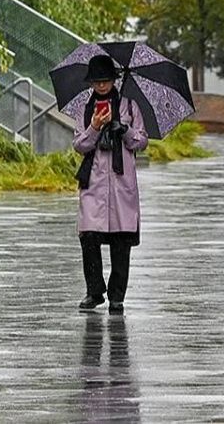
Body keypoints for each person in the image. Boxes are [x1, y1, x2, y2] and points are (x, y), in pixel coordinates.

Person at [73, 55, 149, 315]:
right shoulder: (85, 108)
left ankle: (117, 296)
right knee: (89, 237)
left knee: (121, 241)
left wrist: (123, 129)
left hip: (121, 183)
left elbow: (141, 141)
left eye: (105, 81)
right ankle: (95, 291)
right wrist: (94, 127)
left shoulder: (129, 106)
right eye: (97, 82)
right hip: (93, 182)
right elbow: (79, 145)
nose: (102, 86)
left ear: (113, 80)